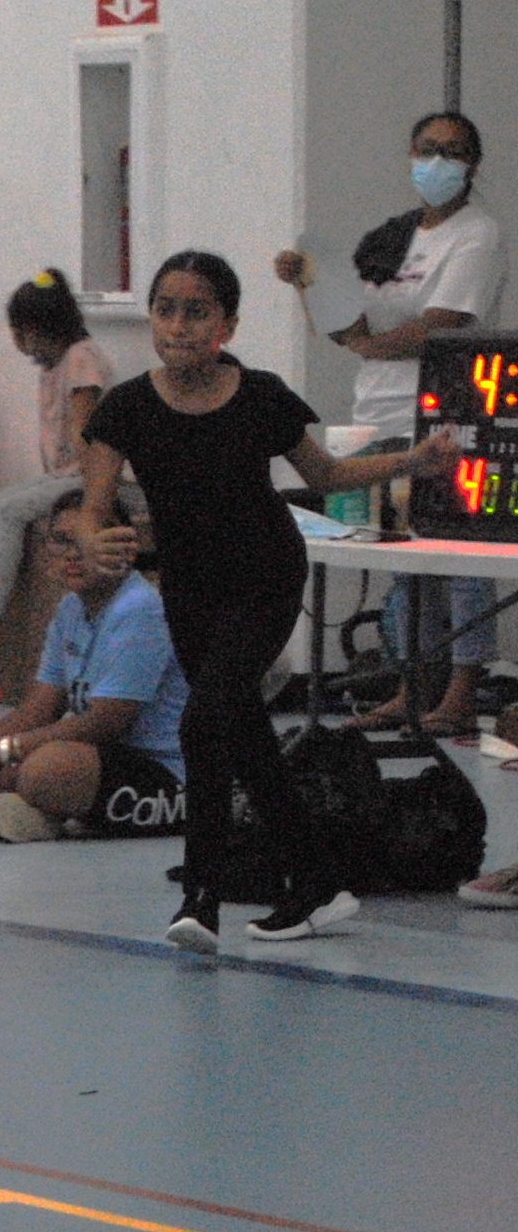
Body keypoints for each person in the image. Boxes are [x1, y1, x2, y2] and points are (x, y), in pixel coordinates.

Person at [80, 252, 457, 949]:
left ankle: (200, 898)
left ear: (228, 323)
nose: (179, 325)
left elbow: (328, 472)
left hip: (264, 575)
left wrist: (410, 461)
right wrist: (95, 541)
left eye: (197, 312)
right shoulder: (126, 408)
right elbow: (91, 506)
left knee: (203, 720)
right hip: (190, 588)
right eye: (166, 309)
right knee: (245, 734)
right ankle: (318, 883)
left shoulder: (262, 397)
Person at [278, 111, 505, 736]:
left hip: (444, 412)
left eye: (452, 152)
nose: (437, 161)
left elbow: (443, 324)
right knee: (404, 554)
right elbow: (345, 320)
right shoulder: (394, 236)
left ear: (472, 166)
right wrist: (307, 283)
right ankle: (412, 687)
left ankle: (461, 690)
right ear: (410, 153)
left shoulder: (476, 233)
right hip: (377, 412)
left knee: (457, 556)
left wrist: (373, 346)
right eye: (428, 149)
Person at [0, 491, 190, 846]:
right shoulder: (70, 609)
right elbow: (41, 707)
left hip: (164, 769)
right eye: (62, 541)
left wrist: (7, 750)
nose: (73, 554)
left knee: (44, 769)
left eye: (87, 541)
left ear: (122, 544)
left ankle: (45, 807)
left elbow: (108, 721)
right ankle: (46, 812)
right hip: (102, 756)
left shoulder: (141, 608)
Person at [0, 271, 118, 657]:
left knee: (12, 512)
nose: (16, 343)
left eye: (19, 333)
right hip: (61, 474)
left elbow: (85, 431)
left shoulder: (82, 359)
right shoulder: (55, 364)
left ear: (39, 329)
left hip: (87, 476)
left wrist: (92, 497)